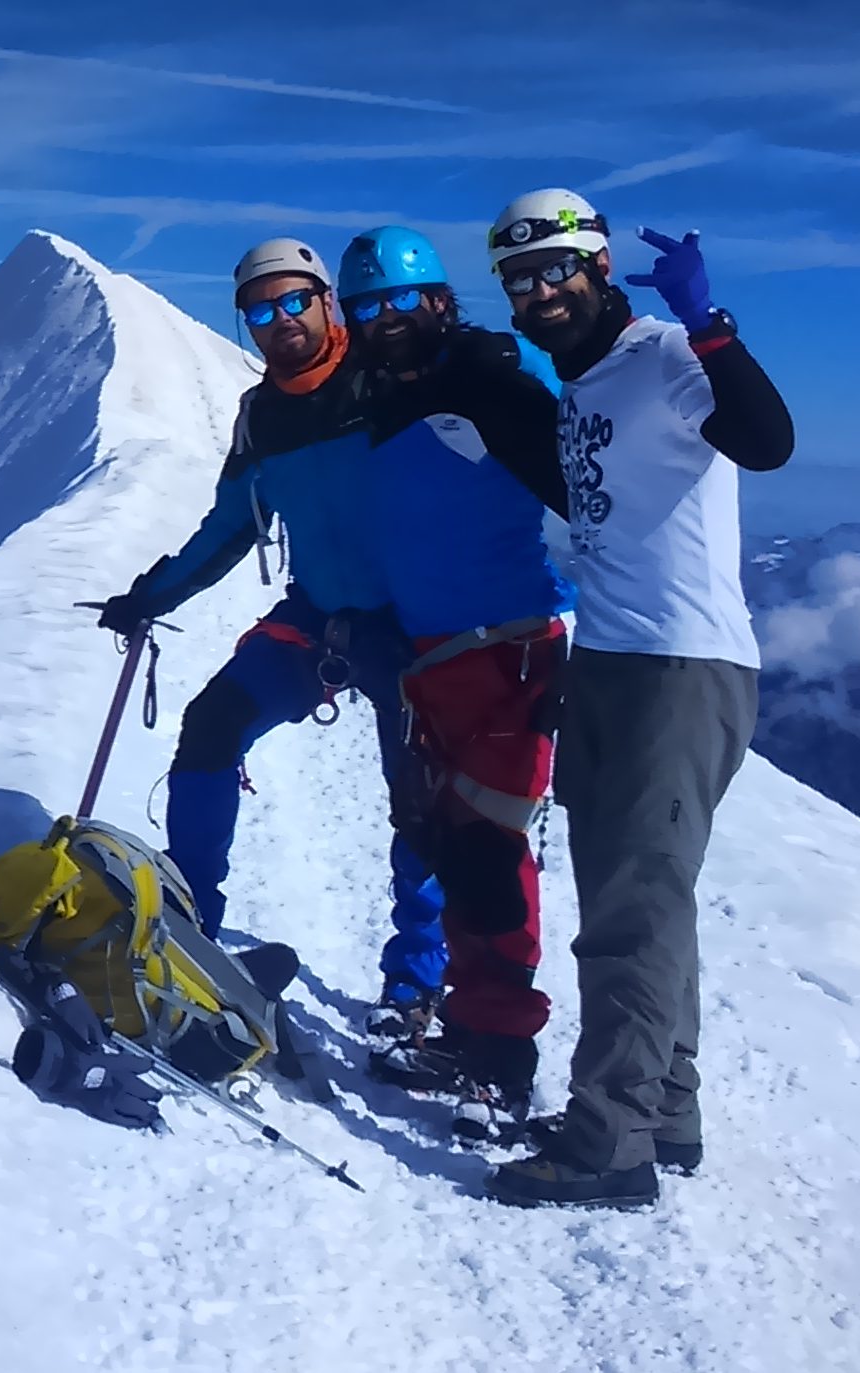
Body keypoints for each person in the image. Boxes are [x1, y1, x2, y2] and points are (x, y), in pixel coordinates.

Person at [472, 189, 795, 1210]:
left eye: (555, 269)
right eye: (518, 279)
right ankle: (663, 1108)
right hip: (607, 661)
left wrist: (712, 327)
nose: (538, 292)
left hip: (680, 669)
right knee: (642, 903)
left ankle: (606, 1141)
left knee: (626, 915)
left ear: (599, 267)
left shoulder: (663, 354)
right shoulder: (578, 389)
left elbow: (764, 438)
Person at [97, 238, 443, 1024]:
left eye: (295, 301)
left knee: (421, 798)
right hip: (319, 615)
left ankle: (416, 982)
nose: (280, 320)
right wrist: (153, 594)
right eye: (261, 309)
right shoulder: (264, 416)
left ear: (328, 301)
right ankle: (189, 924)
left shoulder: (394, 383)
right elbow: (232, 525)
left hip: (416, 624)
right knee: (212, 726)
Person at [335, 226, 573, 1141]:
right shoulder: (392, 394)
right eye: (367, 307)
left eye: (401, 299)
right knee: (448, 837)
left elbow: (580, 495)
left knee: (491, 854)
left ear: (440, 297)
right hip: (432, 654)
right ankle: (472, 1031)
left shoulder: (485, 375)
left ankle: (504, 1063)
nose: (384, 319)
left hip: (507, 645)